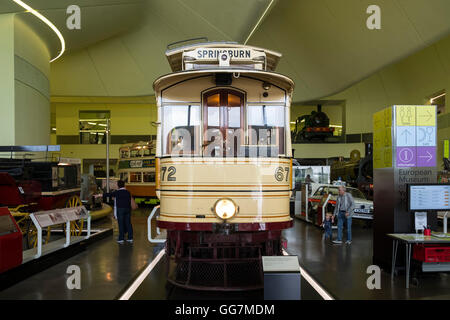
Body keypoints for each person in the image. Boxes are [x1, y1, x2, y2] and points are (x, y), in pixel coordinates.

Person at [104, 180, 133, 244]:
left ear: (118, 185)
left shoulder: (117, 192)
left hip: (120, 210)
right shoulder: (128, 192)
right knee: (128, 223)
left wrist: (100, 195)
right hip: (128, 209)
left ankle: (121, 238)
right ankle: (130, 238)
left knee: (121, 224)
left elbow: (108, 194)